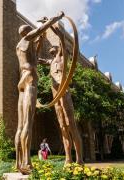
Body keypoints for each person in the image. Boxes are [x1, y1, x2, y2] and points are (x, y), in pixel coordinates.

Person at [15, 12, 65, 174]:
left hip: (22, 80)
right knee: (28, 123)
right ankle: (27, 163)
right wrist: (57, 17)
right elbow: (41, 27)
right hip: (30, 80)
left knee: (20, 125)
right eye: (31, 31)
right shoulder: (28, 37)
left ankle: (18, 163)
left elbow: (34, 58)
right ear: (27, 32)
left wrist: (41, 41)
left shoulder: (20, 46)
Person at [38, 23, 84, 164]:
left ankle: (79, 159)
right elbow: (37, 59)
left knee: (71, 124)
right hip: (55, 95)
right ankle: (68, 159)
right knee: (63, 126)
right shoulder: (50, 61)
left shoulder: (62, 56)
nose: (50, 48)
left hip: (64, 91)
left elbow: (62, 38)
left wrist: (50, 24)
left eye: (53, 47)